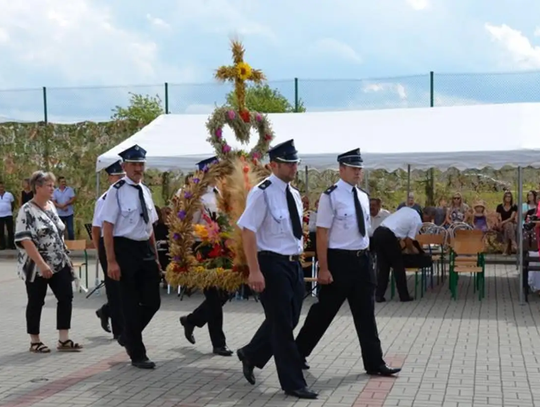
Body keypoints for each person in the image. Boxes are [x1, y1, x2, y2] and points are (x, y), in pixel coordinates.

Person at [295, 148, 401, 377]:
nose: (358, 172)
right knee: (324, 312)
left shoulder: (362, 196)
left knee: (366, 315)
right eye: (353, 168)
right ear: (341, 169)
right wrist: (323, 267)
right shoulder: (330, 196)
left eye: (360, 168)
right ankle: (297, 353)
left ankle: (375, 363)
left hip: (362, 260)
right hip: (339, 261)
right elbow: (322, 233)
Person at [236, 139, 317, 399]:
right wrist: (254, 270)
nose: (293, 167)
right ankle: (293, 382)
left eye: (295, 162)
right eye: (288, 163)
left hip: (293, 264)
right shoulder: (262, 191)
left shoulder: (293, 194)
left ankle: (251, 353)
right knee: (282, 325)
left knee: (289, 319)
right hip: (271, 264)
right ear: (273, 165)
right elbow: (248, 231)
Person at [100, 144, 162, 369]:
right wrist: (111, 260)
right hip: (124, 249)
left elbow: (150, 226)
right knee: (129, 304)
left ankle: (128, 334)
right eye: (134, 164)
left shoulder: (145, 190)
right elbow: (107, 227)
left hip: (144, 248)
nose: (138, 168)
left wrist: (155, 256)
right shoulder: (116, 191)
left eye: (141, 164)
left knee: (153, 302)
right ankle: (137, 354)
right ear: (124, 166)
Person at [14, 171, 83, 353]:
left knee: (66, 296)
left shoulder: (51, 206)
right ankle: (35, 341)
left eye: (53, 185)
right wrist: (42, 264)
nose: (53, 189)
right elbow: (25, 240)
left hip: (58, 262)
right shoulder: (26, 211)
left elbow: (57, 232)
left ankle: (63, 338)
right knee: (36, 301)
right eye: (49, 186)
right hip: (36, 266)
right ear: (38, 188)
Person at [179, 156, 233, 357]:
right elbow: (188, 225)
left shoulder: (219, 193)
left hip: (222, 247)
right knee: (213, 296)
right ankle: (219, 343)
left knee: (225, 292)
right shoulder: (196, 196)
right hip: (202, 248)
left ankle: (192, 320)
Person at [372, 206, 436, 302]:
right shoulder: (417, 221)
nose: (430, 221)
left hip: (378, 233)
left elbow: (402, 232)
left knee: (383, 267)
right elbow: (409, 241)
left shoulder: (407, 209)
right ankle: (404, 296)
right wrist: (413, 251)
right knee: (399, 268)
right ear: (426, 215)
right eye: (430, 218)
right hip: (389, 237)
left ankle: (379, 295)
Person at [92, 160, 125, 342]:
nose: (120, 179)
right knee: (114, 289)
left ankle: (106, 311)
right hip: (108, 246)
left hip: (126, 245)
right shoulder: (104, 200)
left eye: (122, 176)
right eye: (117, 176)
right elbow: (97, 229)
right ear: (109, 178)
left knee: (127, 288)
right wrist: (100, 252)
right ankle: (119, 331)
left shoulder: (130, 194)